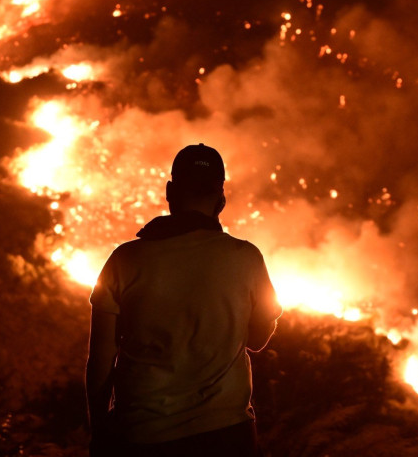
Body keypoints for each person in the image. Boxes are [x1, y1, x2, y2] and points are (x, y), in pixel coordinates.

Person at [86, 143, 282, 457]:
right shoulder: (246, 258)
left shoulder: (124, 260)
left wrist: (99, 431)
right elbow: (258, 339)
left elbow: (100, 359)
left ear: (170, 191)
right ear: (221, 199)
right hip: (226, 435)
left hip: (143, 435)